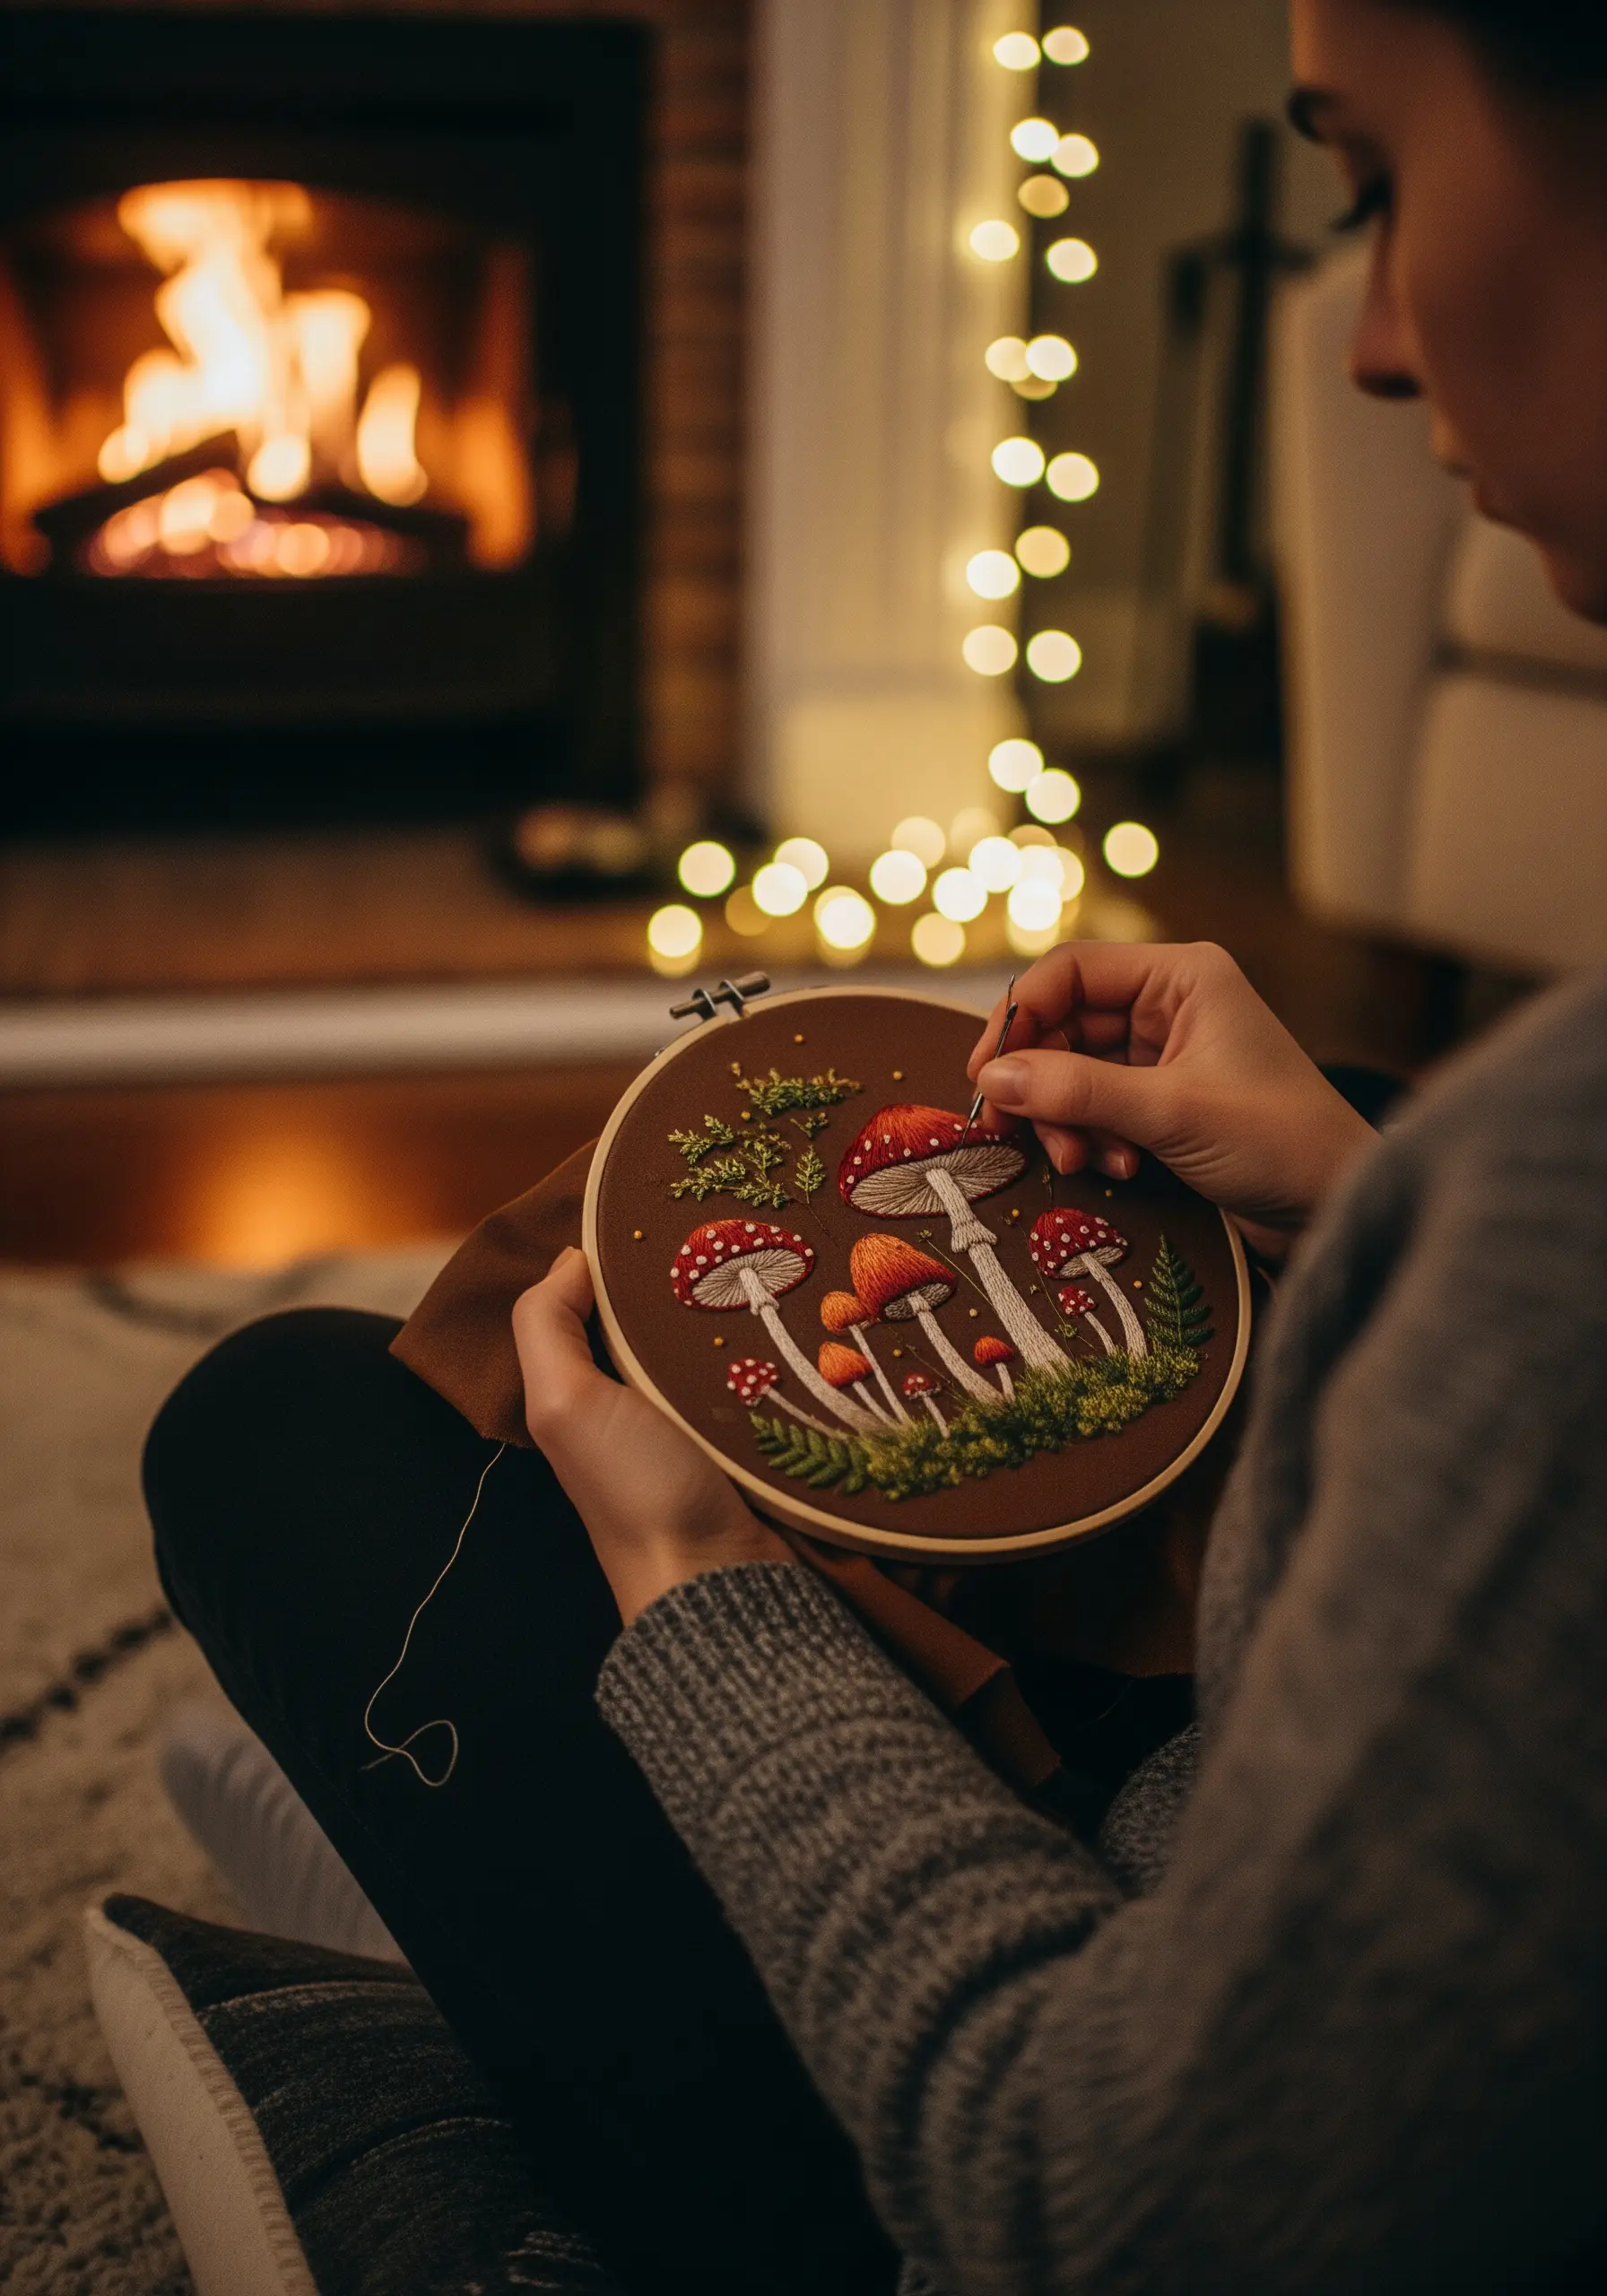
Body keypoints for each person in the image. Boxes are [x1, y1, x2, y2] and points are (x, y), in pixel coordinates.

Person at [144, 4, 1605, 2290]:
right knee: (1333, 1145)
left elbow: (1106, 2204)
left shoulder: (1549, 1200)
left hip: (1039, 2134)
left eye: (1371, 181)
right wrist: (1354, 1183)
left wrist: (700, 1599)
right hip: (1326, 1847)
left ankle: (461, 2047)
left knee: (274, 1424)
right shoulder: (1519, 1178)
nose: (1372, 344)